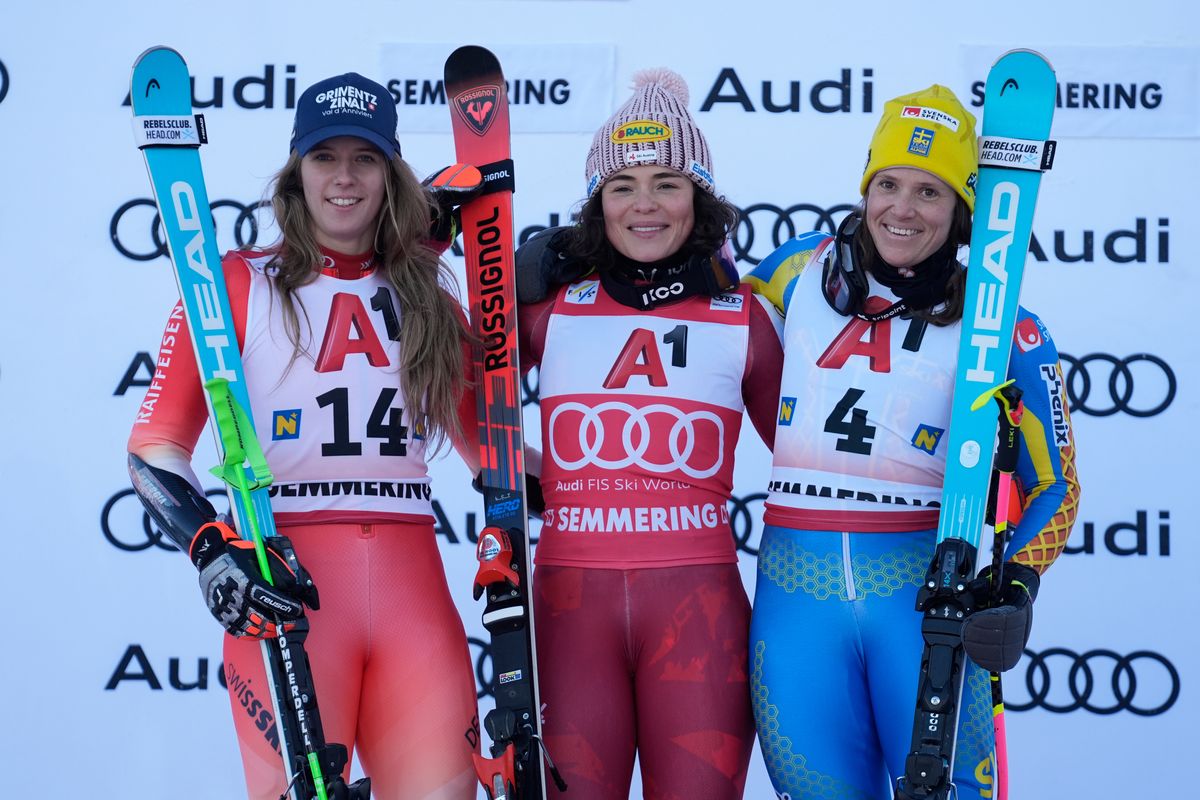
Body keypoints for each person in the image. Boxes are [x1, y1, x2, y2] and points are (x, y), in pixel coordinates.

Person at [127, 72, 481, 799]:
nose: (344, 178)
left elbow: (495, 453)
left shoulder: (430, 300)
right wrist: (211, 548)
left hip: (416, 605)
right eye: (325, 157)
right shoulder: (232, 284)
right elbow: (154, 447)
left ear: (391, 174)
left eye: (365, 159)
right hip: (286, 588)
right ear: (297, 171)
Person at [743, 84, 1081, 799]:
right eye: (887, 184)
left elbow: (1058, 484)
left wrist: (1015, 582)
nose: (902, 208)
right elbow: (682, 317)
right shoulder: (792, 272)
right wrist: (572, 262)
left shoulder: (1004, 325)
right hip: (795, 598)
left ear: (961, 211)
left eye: (930, 192)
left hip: (924, 596)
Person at [514, 69, 783, 799]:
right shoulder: (549, 309)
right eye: (621, 185)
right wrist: (506, 459)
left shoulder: (744, 317)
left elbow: (810, 462)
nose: (644, 204)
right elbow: (448, 383)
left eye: (667, 182)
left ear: (700, 200)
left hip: (700, 617)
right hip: (571, 613)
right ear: (596, 203)